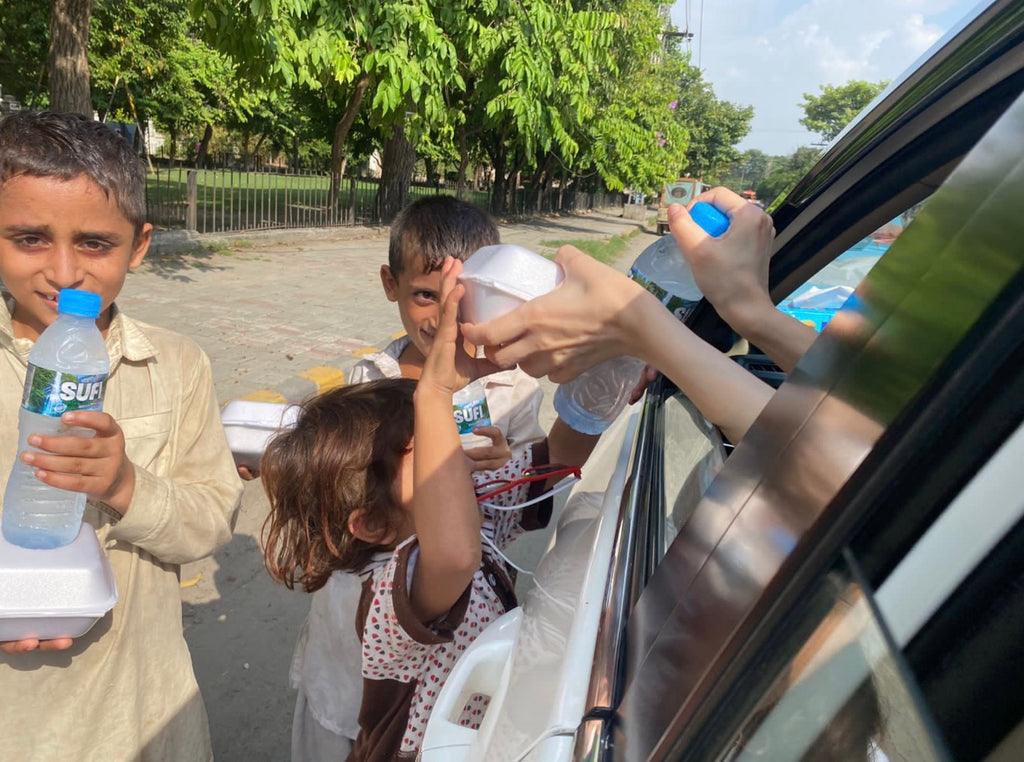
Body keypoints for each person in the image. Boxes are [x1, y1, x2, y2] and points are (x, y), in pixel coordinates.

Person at [287, 194, 598, 760]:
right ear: (391, 284)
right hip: (352, 672)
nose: (440, 316)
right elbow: (437, 545)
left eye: (463, 297)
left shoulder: (485, 491)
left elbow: (548, 468)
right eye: (426, 295)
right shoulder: (367, 385)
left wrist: (611, 369)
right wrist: (433, 396)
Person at [0, 111, 243, 760]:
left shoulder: (176, 365)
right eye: (29, 238)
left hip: (143, 713)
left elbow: (213, 517)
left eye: (94, 243)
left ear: (138, 245)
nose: (63, 272)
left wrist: (126, 485)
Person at [461, 188, 797, 444]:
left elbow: (802, 448)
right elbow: (820, 416)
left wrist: (643, 329)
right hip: (598, 393)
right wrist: (753, 312)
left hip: (606, 391)